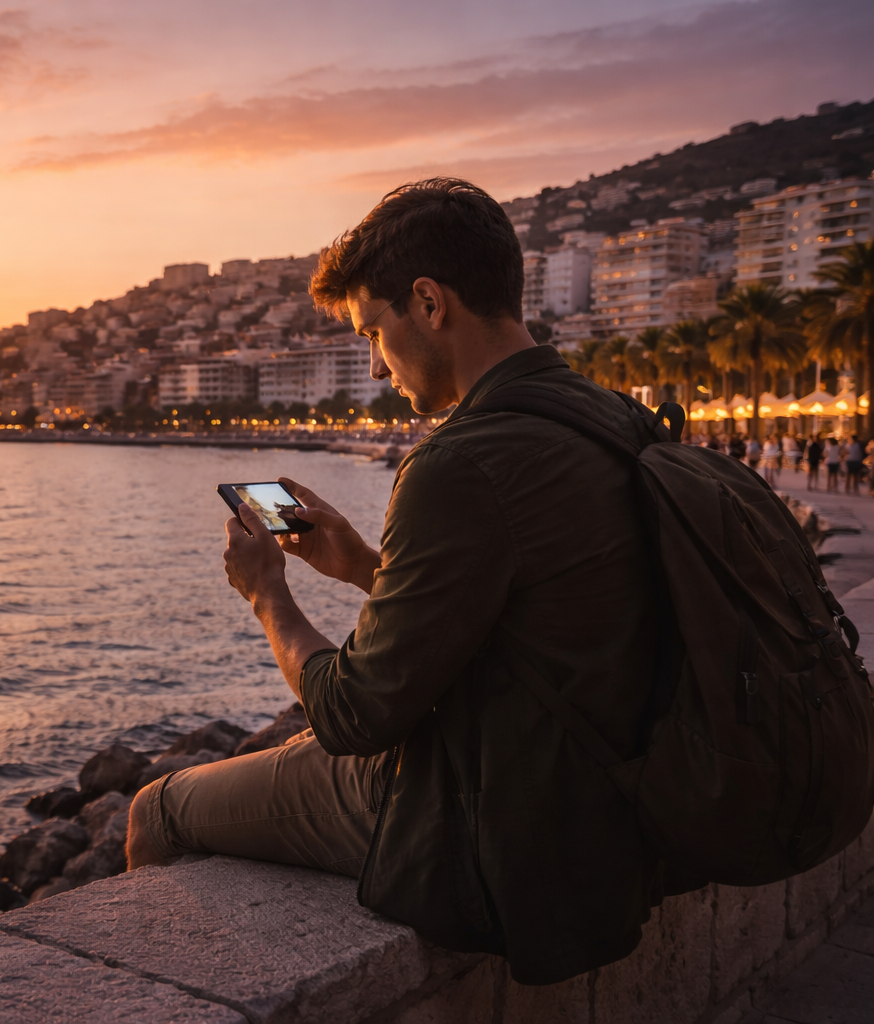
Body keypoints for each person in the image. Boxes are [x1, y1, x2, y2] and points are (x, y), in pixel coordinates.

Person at [127, 178, 661, 985]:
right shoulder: (613, 421)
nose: (377, 365)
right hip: (607, 787)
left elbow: (351, 713)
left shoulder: (458, 463)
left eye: (375, 330)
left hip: (494, 812)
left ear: (429, 303)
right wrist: (361, 567)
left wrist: (269, 592)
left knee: (156, 809)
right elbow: (526, 616)